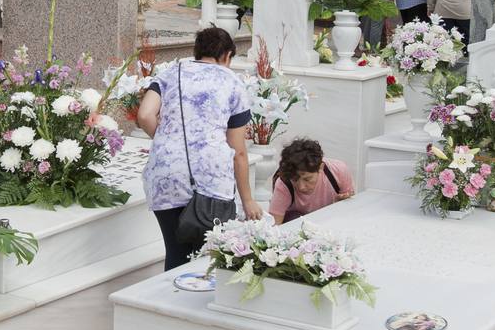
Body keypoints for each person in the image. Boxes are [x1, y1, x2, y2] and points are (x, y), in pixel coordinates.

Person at [137, 27, 263, 271]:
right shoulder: (232, 82)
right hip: (210, 181)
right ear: (227, 55)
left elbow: (144, 114)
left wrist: (165, 140)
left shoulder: (171, 72)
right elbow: (238, 152)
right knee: (210, 255)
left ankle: (167, 301)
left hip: (165, 175)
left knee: (175, 253)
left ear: (196, 52)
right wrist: (248, 201)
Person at [268, 138, 355, 224]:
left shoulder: (339, 170)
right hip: (295, 221)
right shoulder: (284, 182)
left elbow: (350, 210)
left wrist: (339, 205)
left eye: (307, 179)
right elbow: (274, 224)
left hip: (329, 219)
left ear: (320, 167)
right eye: (295, 179)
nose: (301, 187)